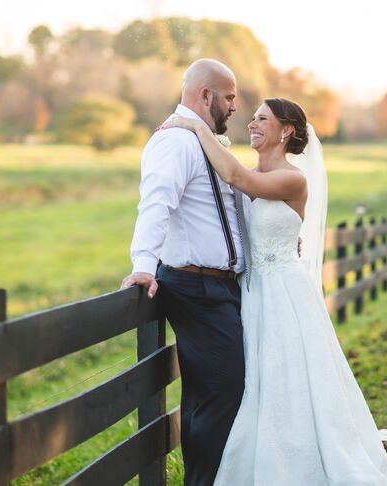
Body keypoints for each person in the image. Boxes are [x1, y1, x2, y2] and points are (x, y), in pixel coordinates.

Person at [160, 98, 387, 485]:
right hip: (250, 291)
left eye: (262, 119)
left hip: (284, 295)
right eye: (253, 118)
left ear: (286, 130)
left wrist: (196, 127)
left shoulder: (292, 178)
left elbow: (238, 180)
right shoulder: (250, 171)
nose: (252, 124)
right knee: (257, 381)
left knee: (289, 377)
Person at [120, 58, 248, 486]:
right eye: (229, 96)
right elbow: (156, 204)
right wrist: (142, 265)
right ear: (205, 95)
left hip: (220, 288)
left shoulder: (204, 141)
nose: (235, 105)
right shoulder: (175, 142)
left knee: (211, 394)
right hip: (198, 288)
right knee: (222, 392)